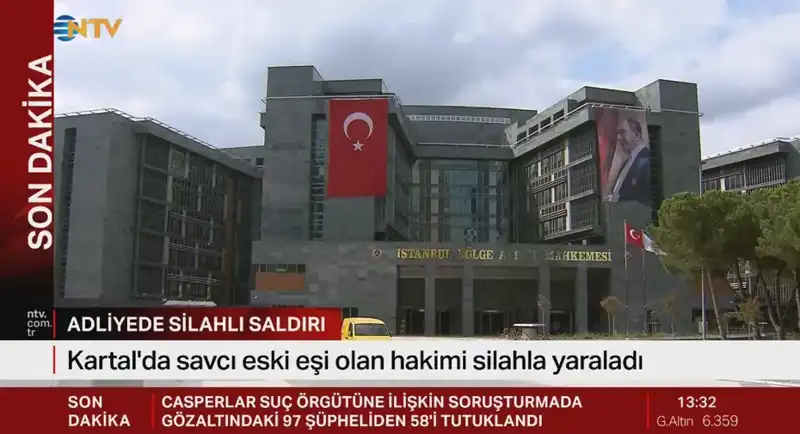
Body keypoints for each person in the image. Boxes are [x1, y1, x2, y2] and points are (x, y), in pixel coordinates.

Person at [603, 115, 650, 203]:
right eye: (617, 134)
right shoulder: (626, 162)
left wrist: (616, 199)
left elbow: (643, 194)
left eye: (622, 132)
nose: (619, 138)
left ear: (637, 135)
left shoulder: (646, 159)